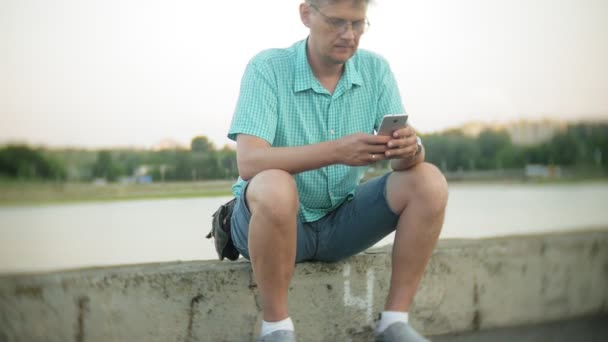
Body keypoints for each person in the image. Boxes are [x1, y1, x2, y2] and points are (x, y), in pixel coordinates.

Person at [226, 0, 448, 341]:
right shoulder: (267, 67)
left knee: (429, 180)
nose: (349, 35)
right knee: (273, 185)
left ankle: (394, 323)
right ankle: (276, 329)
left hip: (340, 222)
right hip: (272, 222)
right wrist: (336, 152)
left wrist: (410, 149)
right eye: (336, 22)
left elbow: (403, 165)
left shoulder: (375, 69)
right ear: (306, 15)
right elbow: (249, 163)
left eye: (358, 24)